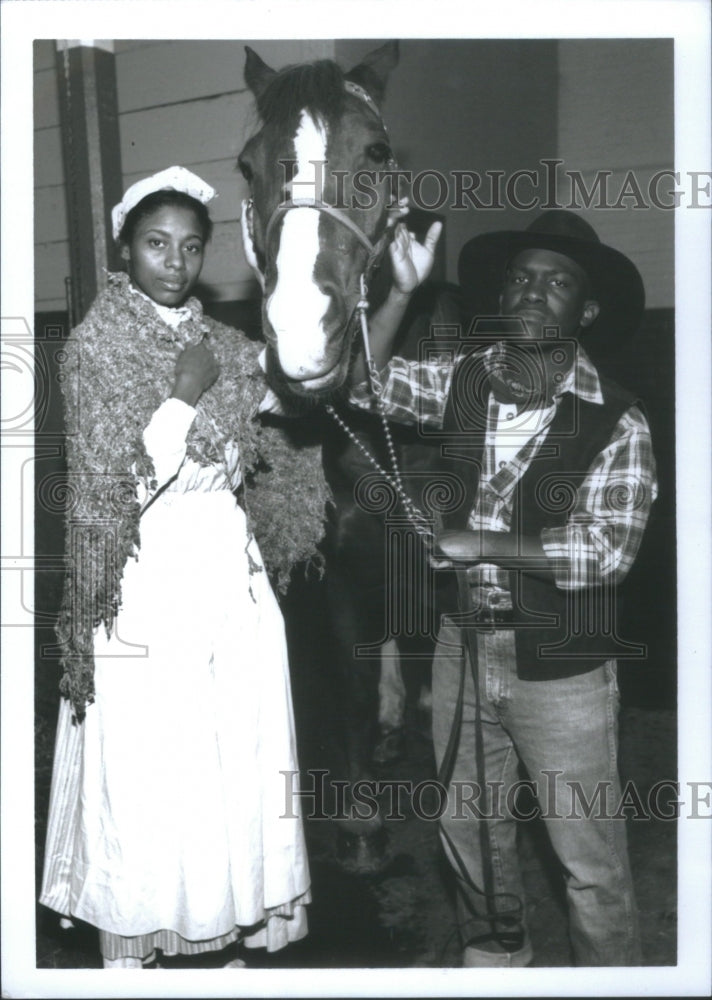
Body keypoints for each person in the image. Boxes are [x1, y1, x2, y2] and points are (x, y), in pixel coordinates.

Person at [349, 209, 656, 967]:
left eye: (556, 283)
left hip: (562, 668)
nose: (531, 292)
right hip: (462, 645)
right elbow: (362, 386)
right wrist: (398, 292)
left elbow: (606, 553)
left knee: (589, 865)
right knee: (471, 836)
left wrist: (481, 542)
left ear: (584, 313)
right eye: (521, 277)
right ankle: (495, 973)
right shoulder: (467, 379)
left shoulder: (618, 418)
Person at [40, 166, 330, 969]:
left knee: (234, 764)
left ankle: (223, 933)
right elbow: (112, 485)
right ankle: (134, 956)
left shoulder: (223, 347)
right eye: (157, 244)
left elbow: (300, 390)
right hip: (146, 587)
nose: (174, 261)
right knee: (155, 774)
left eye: (191, 247)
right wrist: (179, 395)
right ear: (124, 249)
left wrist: (361, 303)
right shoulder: (97, 347)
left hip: (228, 589)